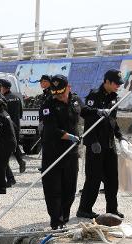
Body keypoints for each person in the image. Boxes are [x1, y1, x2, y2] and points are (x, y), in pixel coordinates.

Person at [77, 69, 126, 219]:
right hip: (95, 145)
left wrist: (120, 136)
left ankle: (112, 210)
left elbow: (113, 121)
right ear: (107, 82)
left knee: (112, 178)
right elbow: (85, 113)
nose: (118, 86)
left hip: (109, 144)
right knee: (94, 178)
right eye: (116, 83)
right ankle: (84, 209)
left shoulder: (114, 97)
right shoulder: (94, 95)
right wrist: (92, 141)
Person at [40, 75, 82, 229]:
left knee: (70, 188)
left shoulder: (75, 100)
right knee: (53, 189)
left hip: (71, 153)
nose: (58, 95)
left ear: (68, 88)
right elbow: (52, 130)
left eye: (61, 92)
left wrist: (99, 112)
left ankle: (64, 218)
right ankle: (55, 221)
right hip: (53, 152)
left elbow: (85, 112)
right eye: (55, 93)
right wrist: (71, 137)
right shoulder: (47, 105)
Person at [0, 78, 26, 174]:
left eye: (0, 86)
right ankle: (20, 162)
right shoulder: (17, 98)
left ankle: (6, 169)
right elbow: (21, 114)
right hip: (16, 125)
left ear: (4, 88)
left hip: (8, 125)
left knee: (7, 146)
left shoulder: (3, 99)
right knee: (14, 145)